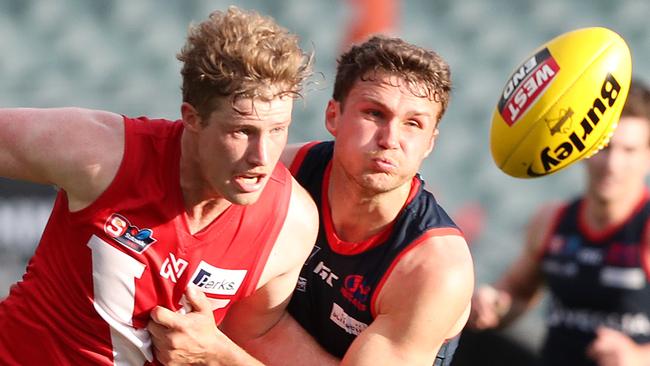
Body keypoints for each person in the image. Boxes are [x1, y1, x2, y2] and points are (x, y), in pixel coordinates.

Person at [0, 6, 318, 365]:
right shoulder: (100, 155)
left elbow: (254, 341)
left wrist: (218, 355)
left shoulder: (291, 224)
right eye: (242, 131)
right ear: (192, 118)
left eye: (278, 130)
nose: (262, 156)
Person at [151, 35, 475, 366]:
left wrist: (217, 355)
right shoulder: (281, 176)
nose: (390, 139)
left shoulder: (433, 268)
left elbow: (232, 337)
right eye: (375, 113)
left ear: (430, 143)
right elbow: (240, 321)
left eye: (413, 124)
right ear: (333, 116)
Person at [467, 80, 650, 366]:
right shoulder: (551, 220)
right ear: (582, 148)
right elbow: (517, 292)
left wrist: (639, 357)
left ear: (648, 157)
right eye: (605, 147)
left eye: (629, 151)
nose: (613, 164)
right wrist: (493, 304)